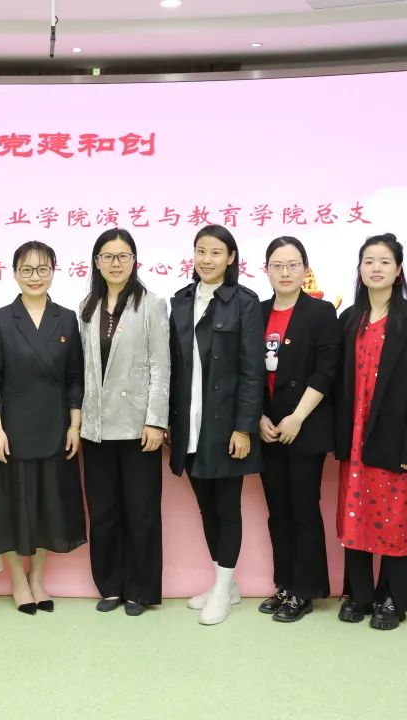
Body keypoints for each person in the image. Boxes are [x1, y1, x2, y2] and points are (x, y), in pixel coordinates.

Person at [0, 240, 87, 614]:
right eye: (26, 269)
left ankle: (38, 578)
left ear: (53, 272)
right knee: (12, 505)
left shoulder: (67, 319)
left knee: (46, 506)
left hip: (54, 426)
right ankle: (17, 580)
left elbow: (75, 378)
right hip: (11, 428)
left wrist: (74, 426)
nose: (34, 277)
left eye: (42, 269)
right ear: (14, 273)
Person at [334, 233, 407, 631]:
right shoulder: (348, 320)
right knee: (354, 515)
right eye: (369, 261)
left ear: (398, 270)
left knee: (394, 518)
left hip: (394, 438)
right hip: (355, 438)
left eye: (384, 262)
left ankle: (393, 596)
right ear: (360, 269)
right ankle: (358, 593)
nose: (376, 268)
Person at [167, 224, 264, 626]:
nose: (206, 260)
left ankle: (222, 591)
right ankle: (225, 582)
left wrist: (243, 428)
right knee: (205, 506)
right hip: (188, 425)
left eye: (215, 252)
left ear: (230, 258)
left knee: (226, 507)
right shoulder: (180, 300)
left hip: (225, 427)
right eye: (201, 251)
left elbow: (252, 371)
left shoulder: (244, 302)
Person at [78, 228, 170, 616]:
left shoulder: (152, 304)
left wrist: (156, 421)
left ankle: (140, 589)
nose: (115, 263)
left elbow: (161, 367)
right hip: (96, 428)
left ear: (134, 260)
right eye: (108, 256)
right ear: (96, 262)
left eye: (123, 256)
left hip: (138, 428)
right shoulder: (87, 305)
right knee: (103, 512)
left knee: (141, 512)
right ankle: (111, 586)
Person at [257, 237, 340, 622]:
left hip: (305, 427)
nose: (285, 272)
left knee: (303, 508)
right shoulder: (257, 312)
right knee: (278, 511)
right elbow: (249, 371)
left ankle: (305, 590)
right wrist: (259, 417)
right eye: (277, 265)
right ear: (267, 270)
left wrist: (297, 417)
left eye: (293, 265)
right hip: (268, 429)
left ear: (305, 269)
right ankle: (285, 584)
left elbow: (326, 370)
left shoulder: (321, 312)